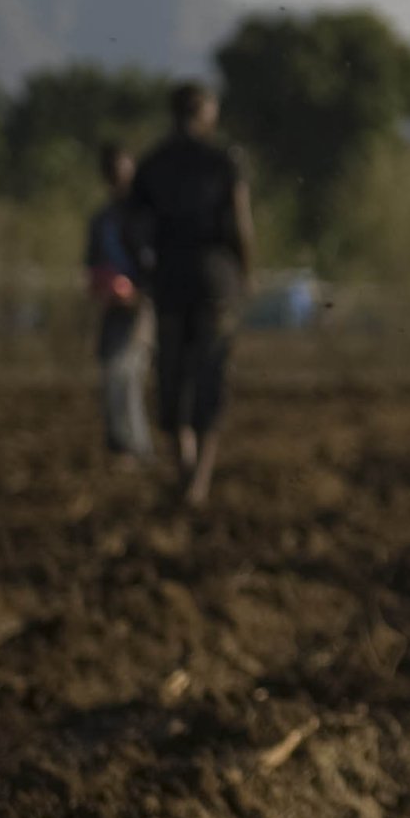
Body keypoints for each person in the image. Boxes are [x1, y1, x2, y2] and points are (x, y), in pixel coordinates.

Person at [129, 80, 255, 507]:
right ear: (205, 113)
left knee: (172, 377)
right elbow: (241, 226)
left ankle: (183, 463)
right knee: (210, 378)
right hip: (215, 284)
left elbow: (134, 229)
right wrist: (246, 273)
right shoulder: (223, 162)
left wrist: (143, 273)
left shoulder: (152, 164)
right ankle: (199, 481)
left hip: (168, 283)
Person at [84, 144, 155, 462]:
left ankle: (137, 449)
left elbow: (156, 266)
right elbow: (92, 265)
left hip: (142, 307)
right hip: (112, 308)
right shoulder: (102, 220)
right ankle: (120, 445)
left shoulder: (147, 217)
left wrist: (141, 298)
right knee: (111, 375)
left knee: (128, 377)